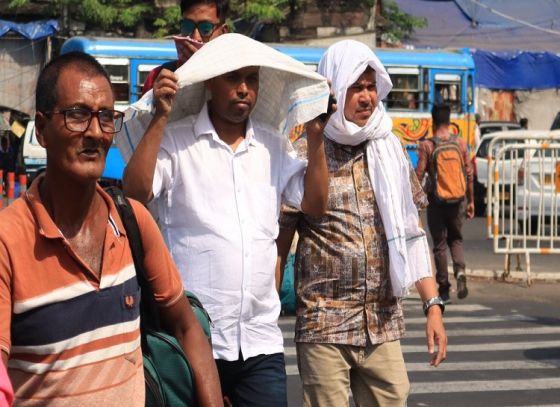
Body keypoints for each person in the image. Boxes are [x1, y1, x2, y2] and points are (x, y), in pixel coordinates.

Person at [0, 52, 223, 406]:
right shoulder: (8, 240)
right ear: (41, 130)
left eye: (106, 117)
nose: (95, 132)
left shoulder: (131, 220)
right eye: (77, 115)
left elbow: (187, 326)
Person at [121, 34, 331, 406]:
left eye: (252, 79)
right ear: (209, 83)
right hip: (192, 337)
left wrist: (316, 138)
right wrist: (160, 118)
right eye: (233, 79)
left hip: (259, 341)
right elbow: (136, 193)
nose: (244, 89)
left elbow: (314, 203)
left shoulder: (273, 145)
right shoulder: (176, 139)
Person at [277, 40, 447, 407]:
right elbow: (280, 240)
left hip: (382, 323)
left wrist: (432, 305)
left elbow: (413, 233)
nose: (367, 97)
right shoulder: (305, 150)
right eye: (356, 87)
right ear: (334, 89)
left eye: (371, 86)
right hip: (325, 327)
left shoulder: (391, 147)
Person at [416, 104, 474, 303]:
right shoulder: (460, 143)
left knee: (440, 245)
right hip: (458, 200)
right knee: (456, 239)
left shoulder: (427, 145)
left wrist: (414, 199)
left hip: (437, 200)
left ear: (433, 121)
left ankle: (444, 289)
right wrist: (471, 201)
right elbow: (468, 173)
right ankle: (460, 271)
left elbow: (419, 174)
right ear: (449, 121)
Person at [141, 0, 229, 95]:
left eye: (206, 29)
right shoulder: (158, 77)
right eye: (188, 26)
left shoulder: (236, 78)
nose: (196, 37)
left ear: (223, 32)